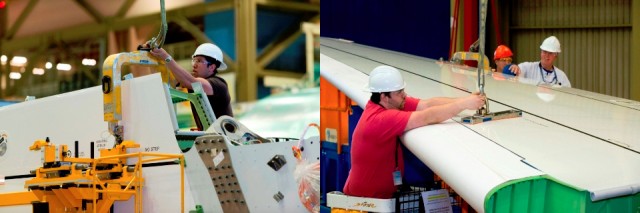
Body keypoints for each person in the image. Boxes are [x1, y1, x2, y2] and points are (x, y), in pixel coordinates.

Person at [342, 65, 485, 199]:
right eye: (399, 92)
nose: (404, 95)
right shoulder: (381, 119)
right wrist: (463, 105)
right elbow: (427, 117)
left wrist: (467, 99)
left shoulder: (388, 104)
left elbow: (426, 105)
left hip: (379, 197)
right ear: (384, 96)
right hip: (365, 202)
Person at [149, 43, 233, 129]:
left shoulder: (218, 84)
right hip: (216, 137)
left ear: (211, 67)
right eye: (194, 60)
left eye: (199, 61)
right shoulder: (193, 82)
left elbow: (190, 82)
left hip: (228, 139)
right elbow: (169, 81)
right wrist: (154, 58)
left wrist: (166, 57)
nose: (194, 65)